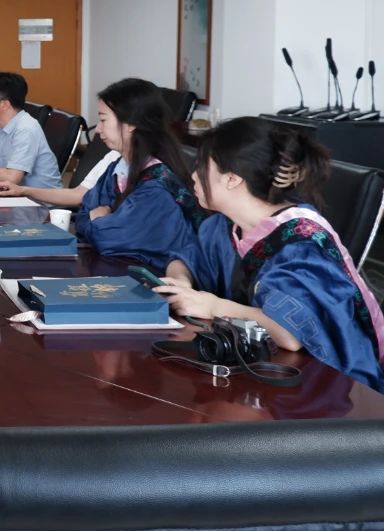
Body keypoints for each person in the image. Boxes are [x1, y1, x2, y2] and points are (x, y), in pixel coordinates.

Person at [157, 117, 384, 390]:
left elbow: (289, 334)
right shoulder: (228, 224)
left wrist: (213, 306)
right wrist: (181, 283)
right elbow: (186, 258)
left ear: (232, 179)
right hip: (266, 366)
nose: (193, 176)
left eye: (201, 167)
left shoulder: (301, 242)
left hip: (338, 386)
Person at [70, 78, 204, 272]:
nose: (98, 129)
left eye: (103, 120)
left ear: (131, 124)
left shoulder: (157, 185)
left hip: (155, 278)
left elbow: (108, 238)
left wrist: (96, 220)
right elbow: (85, 212)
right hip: (119, 268)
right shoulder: (119, 168)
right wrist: (96, 221)